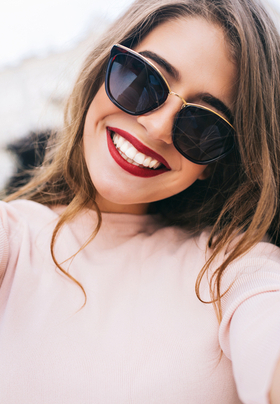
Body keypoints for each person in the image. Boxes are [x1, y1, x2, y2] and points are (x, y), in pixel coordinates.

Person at [1, 0, 280, 402]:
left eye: (203, 125)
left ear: (217, 164)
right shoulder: (14, 238)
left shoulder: (235, 269)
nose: (156, 127)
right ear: (102, 71)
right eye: (143, 78)